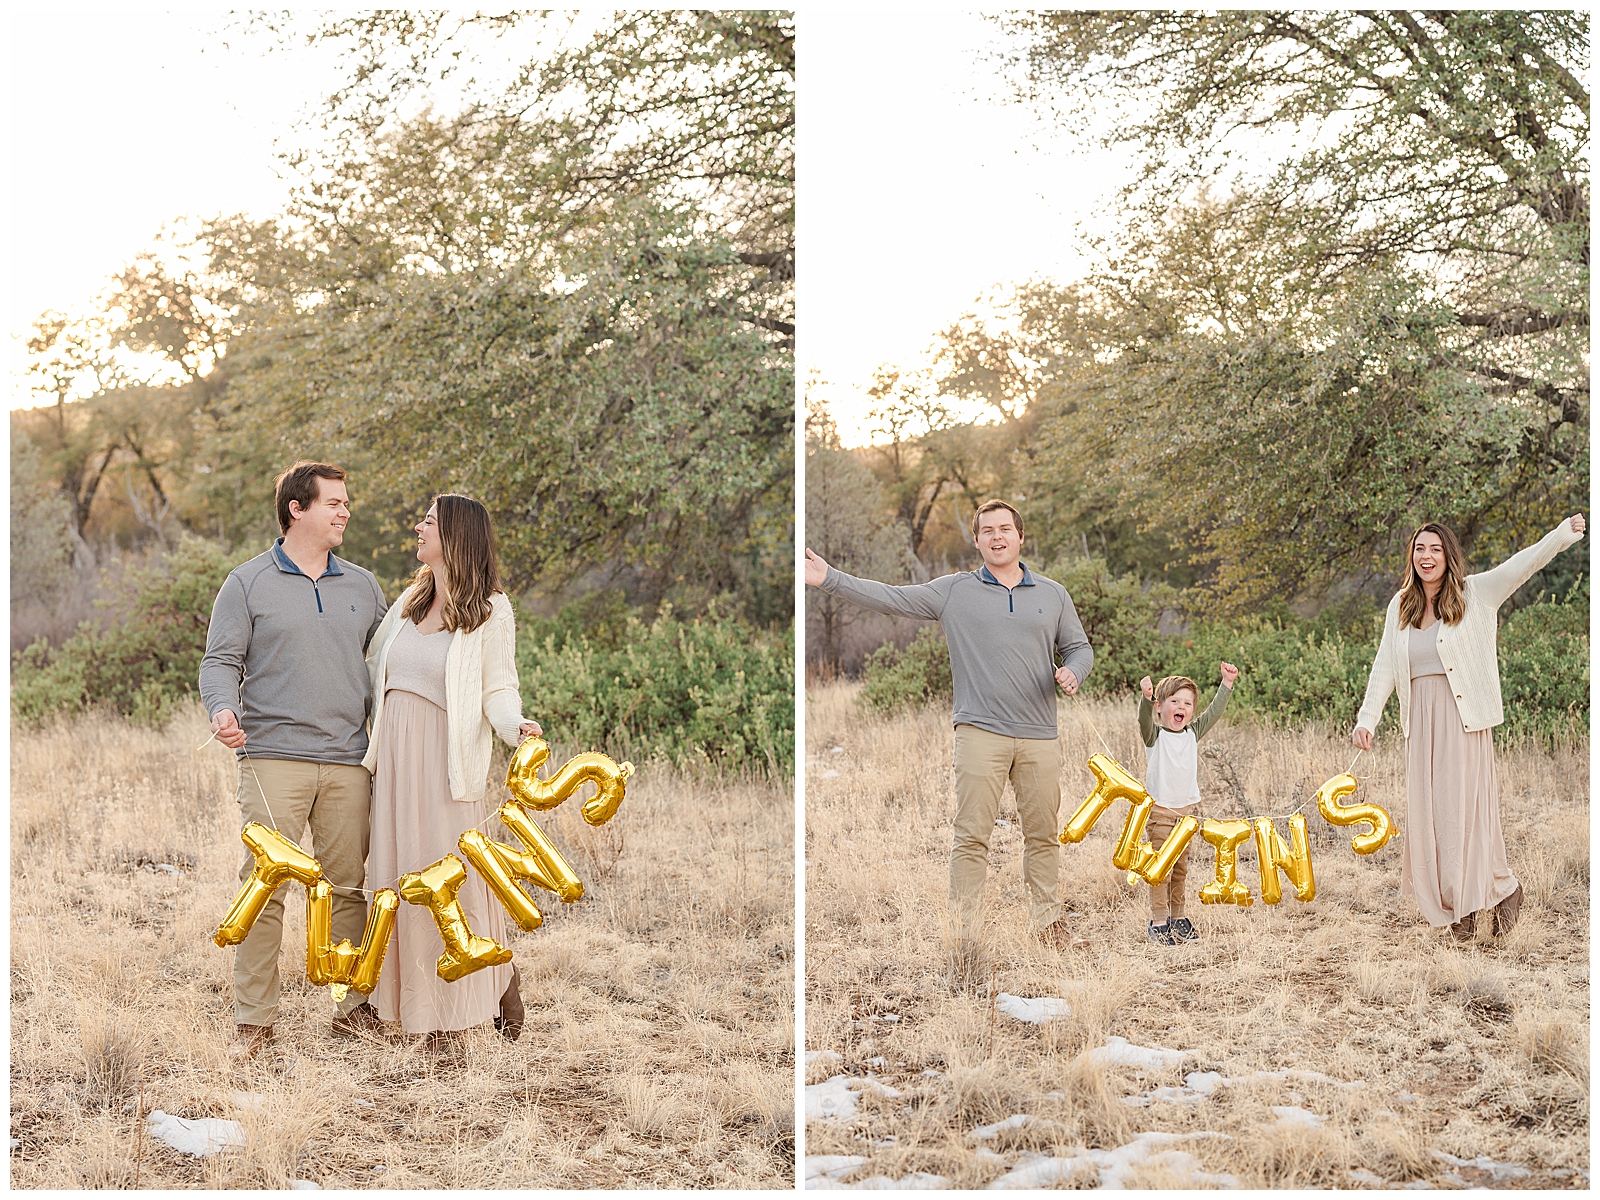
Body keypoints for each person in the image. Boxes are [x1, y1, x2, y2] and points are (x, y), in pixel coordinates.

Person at [804, 500, 1094, 949]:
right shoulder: (954, 591)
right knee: (971, 836)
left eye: (1005, 529)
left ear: (1020, 537)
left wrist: (1074, 670)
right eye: (987, 531)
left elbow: (1079, 647)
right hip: (979, 731)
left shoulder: (1053, 594)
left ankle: (1049, 924)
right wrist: (831, 580)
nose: (997, 537)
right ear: (976, 541)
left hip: (1039, 735)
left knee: (1042, 835)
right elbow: (892, 597)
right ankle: (964, 932)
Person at [200, 461, 390, 1063]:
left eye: (346, 502)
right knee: (266, 887)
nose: (345, 512)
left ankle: (351, 1009)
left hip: (347, 760)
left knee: (348, 888)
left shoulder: (363, 586)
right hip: (272, 756)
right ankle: (254, 1022)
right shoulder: (247, 583)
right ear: (296, 509)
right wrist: (222, 709)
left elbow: (391, 665)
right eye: (334, 502)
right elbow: (220, 660)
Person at [361, 493, 542, 1047]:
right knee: (396, 876)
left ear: (455, 536)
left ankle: (475, 998)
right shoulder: (409, 602)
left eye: (430, 522)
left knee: (453, 880)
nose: (419, 528)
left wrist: (516, 727)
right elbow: (373, 670)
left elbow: (497, 686)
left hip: (445, 764)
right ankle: (404, 1003)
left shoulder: (491, 609)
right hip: (394, 762)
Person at [1352, 514, 1585, 942]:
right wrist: (1368, 718)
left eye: (1435, 549)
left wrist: (1563, 534)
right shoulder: (1400, 604)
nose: (1426, 557)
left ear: (1448, 556)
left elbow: (1525, 563)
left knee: (1461, 814)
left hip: (1462, 722)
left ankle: (1489, 896)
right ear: (1412, 556)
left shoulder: (1475, 592)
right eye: (1420, 549)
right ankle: (1461, 904)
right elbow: (1385, 664)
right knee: (1431, 818)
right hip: (1420, 726)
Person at [1136, 665, 1238, 946]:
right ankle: (1158, 921)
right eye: (1174, 702)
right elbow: (1143, 720)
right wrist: (1145, 698)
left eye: (1188, 703)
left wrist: (1226, 683)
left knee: (1180, 869)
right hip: (1160, 815)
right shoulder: (1154, 736)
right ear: (1160, 707)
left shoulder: (1193, 732)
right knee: (1161, 870)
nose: (1182, 707)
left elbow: (1214, 713)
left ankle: (1178, 917)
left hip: (1186, 817)